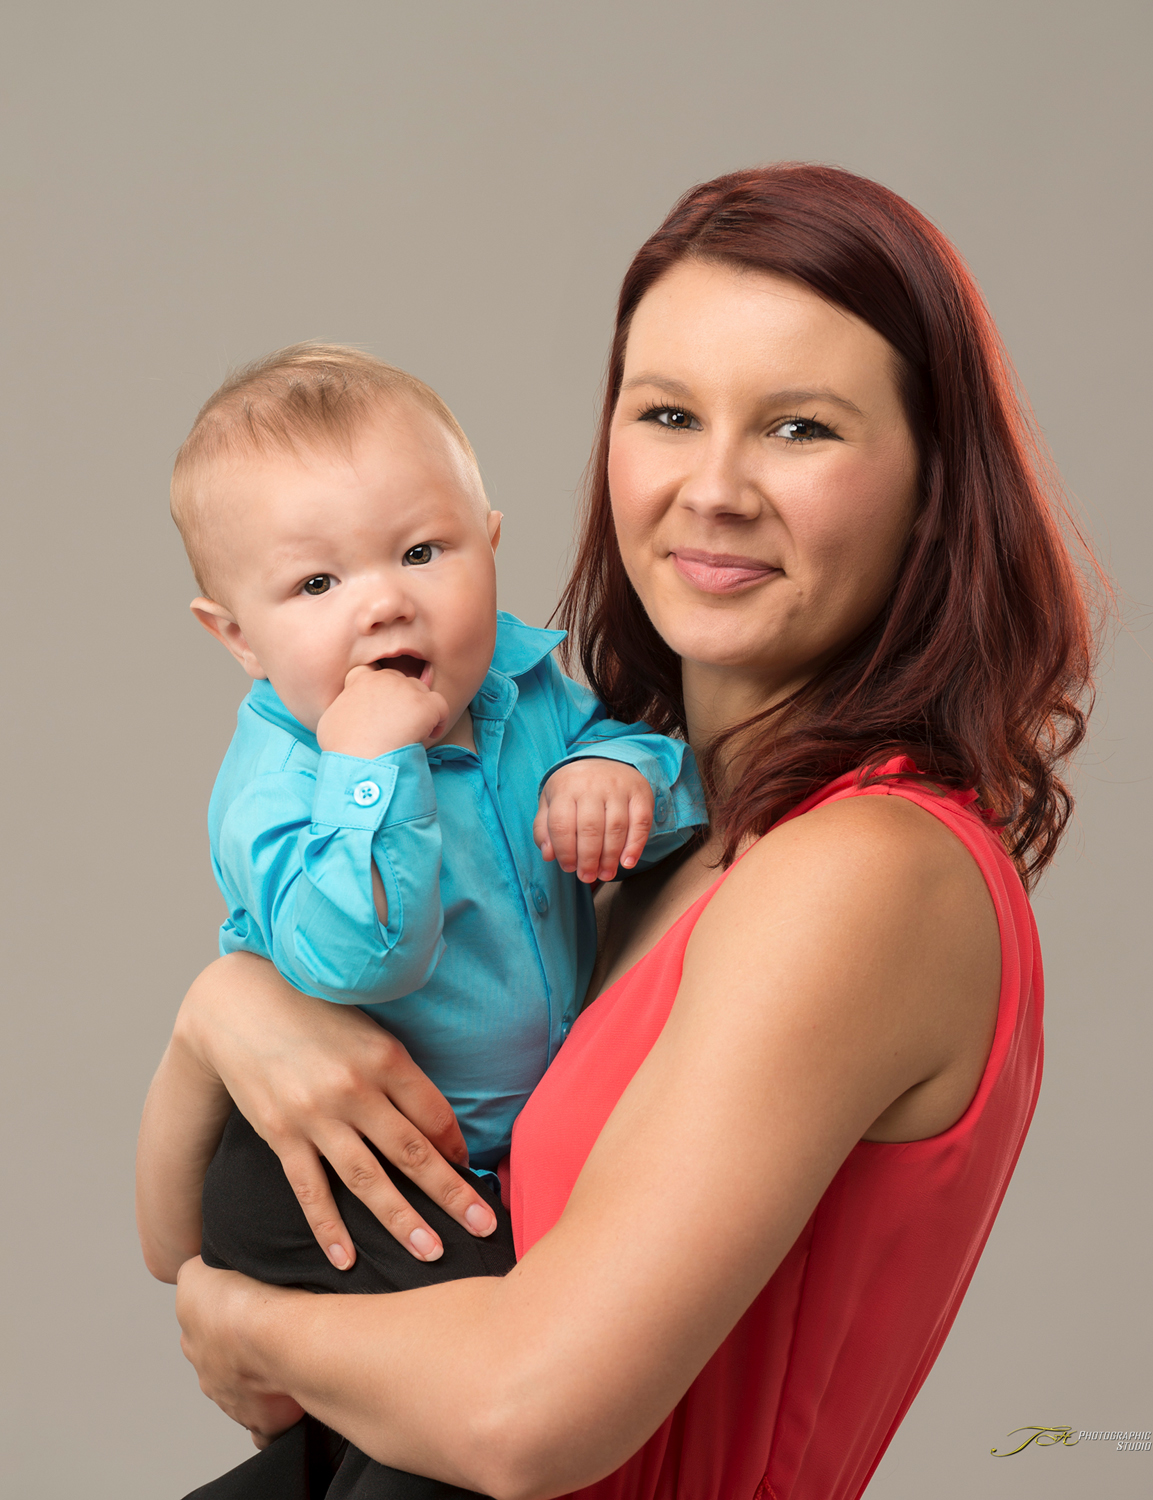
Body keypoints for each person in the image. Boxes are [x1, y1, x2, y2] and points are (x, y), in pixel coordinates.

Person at [153, 163, 1096, 1500]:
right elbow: (163, 1234)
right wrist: (223, 1012)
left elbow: (521, 1417)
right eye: (667, 414)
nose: (713, 487)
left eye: (801, 429)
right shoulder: (642, 842)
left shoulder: (866, 868)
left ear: (933, 487)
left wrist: (249, 1328)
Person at [140, 344, 704, 1303]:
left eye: (420, 552)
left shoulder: (527, 693)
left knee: (403, 1427)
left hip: (492, 1171)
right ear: (236, 635)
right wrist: (370, 768)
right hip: (329, 1170)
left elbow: (679, 815)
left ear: (489, 544)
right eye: (317, 586)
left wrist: (617, 772)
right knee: (499, 1366)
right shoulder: (275, 785)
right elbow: (363, 962)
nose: (385, 602)